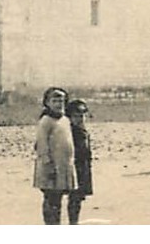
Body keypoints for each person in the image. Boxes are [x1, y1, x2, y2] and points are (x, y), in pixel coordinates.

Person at [33, 86, 77, 224]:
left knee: (59, 197)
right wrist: (47, 165)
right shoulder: (46, 121)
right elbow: (42, 145)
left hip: (64, 165)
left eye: (62, 101)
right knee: (51, 198)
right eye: (55, 101)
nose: (59, 104)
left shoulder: (65, 120)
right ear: (47, 103)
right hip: (51, 167)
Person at [64, 98, 93, 225]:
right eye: (76, 116)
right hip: (74, 167)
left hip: (83, 166)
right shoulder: (69, 132)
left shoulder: (83, 130)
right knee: (74, 196)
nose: (80, 119)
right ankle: (73, 222)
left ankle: (74, 221)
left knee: (79, 196)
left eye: (82, 116)